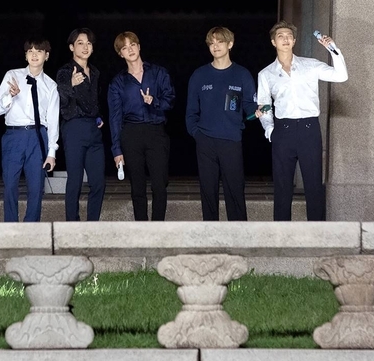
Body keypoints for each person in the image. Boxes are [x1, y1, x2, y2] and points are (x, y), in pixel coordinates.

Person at [256, 21, 347, 221]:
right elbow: (264, 105)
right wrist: (270, 129)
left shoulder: (310, 65)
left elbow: (341, 76)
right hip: (283, 131)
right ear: (273, 42)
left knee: (314, 185)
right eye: (280, 36)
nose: (285, 39)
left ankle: (318, 234)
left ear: (295, 40)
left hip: (309, 129)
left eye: (289, 35)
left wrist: (333, 49)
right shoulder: (266, 74)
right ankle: (282, 235)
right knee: (282, 187)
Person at [185, 26, 258, 221]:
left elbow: (250, 106)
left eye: (220, 42)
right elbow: (191, 112)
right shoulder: (199, 75)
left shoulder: (242, 74)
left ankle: (239, 237)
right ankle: (210, 237)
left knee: (235, 192)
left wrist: (256, 112)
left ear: (230, 44)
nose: (215, 46)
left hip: (231, 140)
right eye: (212, 43)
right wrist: (197, 134)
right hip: (205, 141)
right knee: (208, 193)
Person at [108, 31, 175, 221]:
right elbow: (114, 117)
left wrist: (154, 101)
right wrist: (116, 149)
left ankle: (157, 227)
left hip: (156, 132)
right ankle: (141, 229)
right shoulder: (117, 82)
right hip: (131, 134)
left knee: (159, 184)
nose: (129, 49)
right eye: (124, 47)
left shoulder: (158, 72)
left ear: (139, 46)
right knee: (137, 186)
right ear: (120, 54)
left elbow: (170, 100)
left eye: (132, 45)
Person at [0, 38, 59, 222]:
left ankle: (31, 227)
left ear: (46, 56)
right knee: (9, 185)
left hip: (38, 136)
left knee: (36, 187)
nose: (34, 54)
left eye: (39, 51)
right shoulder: (12, 75)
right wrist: (10, 95)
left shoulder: (50, 85)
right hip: (14, 134)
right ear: (25, 55)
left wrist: (52, 151)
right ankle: (10, 226)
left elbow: (53, 120)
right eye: (30, 51)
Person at [56, 28, 106, 221]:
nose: (85, 47)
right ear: (71, 47)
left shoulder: (95, 71)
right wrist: (70, 86)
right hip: (74, 128)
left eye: (89, 43)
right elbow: (59, 102)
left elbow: (94, 101)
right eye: (80, 43)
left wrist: (98, 116)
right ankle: (72, 225)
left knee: (98, 183)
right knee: (75, 181)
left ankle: (92, 224)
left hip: (93, 129)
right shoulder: (65, 72)